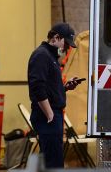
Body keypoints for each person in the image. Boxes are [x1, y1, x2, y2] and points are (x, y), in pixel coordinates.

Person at [27, 22, 83, 168]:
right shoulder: (41, 55)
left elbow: (48, 87)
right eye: (66, 43)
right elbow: (37, 86)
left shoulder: (50, 57)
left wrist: (64, 88)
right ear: (56, 38)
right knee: (53, 164)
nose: (66, 48)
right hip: (47, 116)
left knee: (54, 161)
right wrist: (50, 114)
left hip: (52, 115)